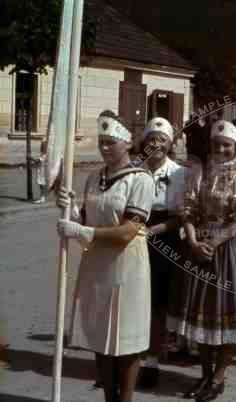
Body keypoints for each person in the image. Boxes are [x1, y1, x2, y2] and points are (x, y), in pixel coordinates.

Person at [56, 110, 155, 402]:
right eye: (101, 141)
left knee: (125, 342)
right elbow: (88, 218)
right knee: (99, 335)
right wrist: (70, 209)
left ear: (127, 144)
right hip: (97, 265)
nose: (104, 147)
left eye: (111, 141)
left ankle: (124, 399)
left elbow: (127, 232)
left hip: (127, 267)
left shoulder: (140, 180)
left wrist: (80, 231)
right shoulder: (93, 177)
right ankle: (108, 398)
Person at [181, 120, 236, 401]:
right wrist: (193, 242)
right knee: (203, 316)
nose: (220, 149)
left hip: (229, 249)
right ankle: (204, 374)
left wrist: (214, 242)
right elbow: (189, 209)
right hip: (200, 246)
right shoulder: (200, 171)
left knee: (225, 313)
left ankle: (218, 376)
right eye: (216, 144)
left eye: (226, 145)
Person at [136, 117, 188, 389]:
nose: (157, 144)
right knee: (132, 303)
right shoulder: (133, 170)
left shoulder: (179, 173)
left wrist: (151, 232)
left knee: (156, 305)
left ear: (171, 143)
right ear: (144, 142)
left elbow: (180, 217)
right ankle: (129, 361)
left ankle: (152, 363)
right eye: (152, 138)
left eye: (163, 139)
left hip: (163, 240)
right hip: (132, 236)